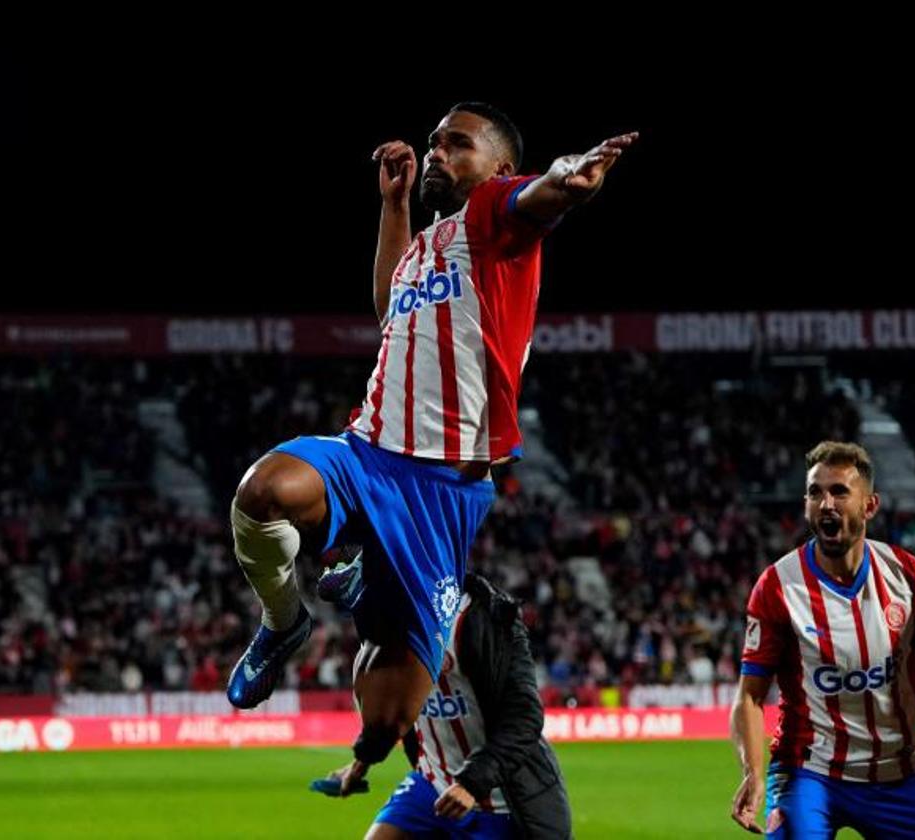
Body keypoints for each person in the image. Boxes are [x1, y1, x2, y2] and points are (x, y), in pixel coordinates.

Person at [227, 99, 637, 775]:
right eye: (433, 142)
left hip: (441, 489)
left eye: (456, 144)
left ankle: (374, 572)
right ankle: (283, 621)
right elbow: (389, 306)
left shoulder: (496, 220)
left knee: (387, 719)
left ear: (499, 167)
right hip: (365, 452)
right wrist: (393, 207)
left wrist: (567, 177)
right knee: (263, 491)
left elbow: (538, 196)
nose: (436, 153)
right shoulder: (428, 244)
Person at [730, 441, 915, 837]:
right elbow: (749, 695)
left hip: (898, 776)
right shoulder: (778, 586)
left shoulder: (908, 577)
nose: (826, 503)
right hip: (807, 775)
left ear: (870, 506)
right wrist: (754, 772)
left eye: (839, 492)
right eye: (815, 492)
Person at [320, 561, 572, 839]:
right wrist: (361, 763)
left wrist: (471, 785)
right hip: (430, 782)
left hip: (492, 799)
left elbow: (524, 719)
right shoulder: (389, 623)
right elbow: (395, 708)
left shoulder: (484, 618)